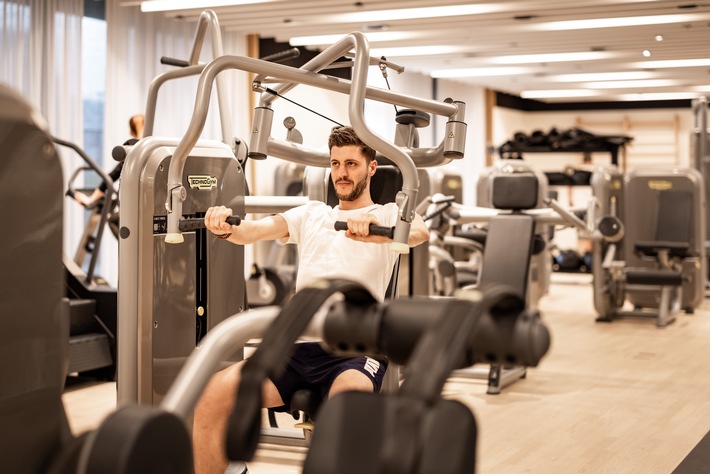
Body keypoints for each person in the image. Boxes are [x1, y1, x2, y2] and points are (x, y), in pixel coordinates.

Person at [192, 126, 429, 474]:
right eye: (335, 164)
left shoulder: (389, 214)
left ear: (371, 168)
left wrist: (379, 231)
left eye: (351, 164)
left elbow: (420, 232)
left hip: (354, 351)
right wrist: (224, 226)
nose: (342, 173)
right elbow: (252, 231)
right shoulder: (312, 214)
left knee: (349, 408)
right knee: (211, 394)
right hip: (296, 349)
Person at [73, 113, 144, 207]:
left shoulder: (132, 150)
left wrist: (90, 200)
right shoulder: (154, 150)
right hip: (143, 203)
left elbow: (111, 177)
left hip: (130, 205)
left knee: (113, 219)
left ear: (131, 131)